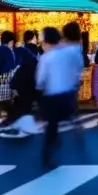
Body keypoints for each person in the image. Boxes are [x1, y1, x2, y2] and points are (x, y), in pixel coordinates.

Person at [35, 26, 83, 168]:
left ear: (46, 42)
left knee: (52, 124)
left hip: (52, 95)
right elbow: (79, 66)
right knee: (68, 113)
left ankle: (49, 151)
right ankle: (74, 124)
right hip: (68, 93)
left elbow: (40, 80)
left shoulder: (46, 58)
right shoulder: (70, 51)